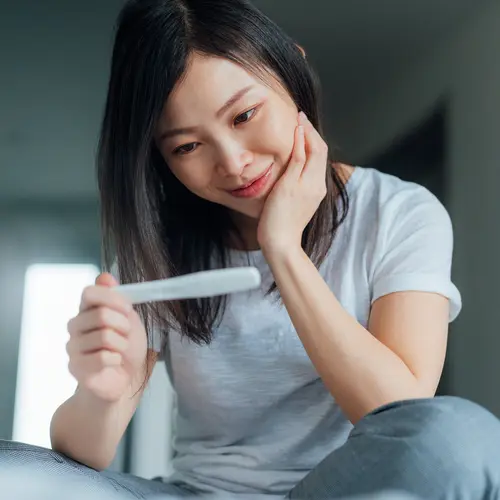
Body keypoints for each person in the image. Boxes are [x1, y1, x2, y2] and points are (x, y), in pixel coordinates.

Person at [1, 0, 500, 499]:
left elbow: (403, 415)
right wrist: (100, 392)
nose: (234, 163)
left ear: (294, 70)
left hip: (348, 492)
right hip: (196, 494)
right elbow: (84, 455)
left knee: (462, 437)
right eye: (187, 147)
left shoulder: (400, 211)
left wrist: (282, 249)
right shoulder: (155, 251)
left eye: (244, 114)